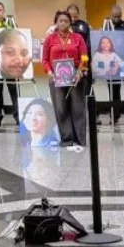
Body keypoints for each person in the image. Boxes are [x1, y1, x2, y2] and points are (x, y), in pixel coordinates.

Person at [42, 10, 90, 151]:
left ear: (70, 23)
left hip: (75, 76)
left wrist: (80, 71)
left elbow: (84, 57)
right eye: (60, 21)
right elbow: (44, 60)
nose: (63, 23)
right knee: (61, 108)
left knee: (78, 107)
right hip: (55, 77)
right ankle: (66, 138)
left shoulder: (78, 38)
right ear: (56, 22)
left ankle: (79, 139)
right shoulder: (50, 39)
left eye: (66, 21)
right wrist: (50, 72)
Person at [107, 5, 124, 124]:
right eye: (114, 16)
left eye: (119, 16)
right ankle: (114, 116)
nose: (117, 18)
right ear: (111, 14)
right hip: (111, 63)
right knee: (114, 91)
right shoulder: (106, 26)